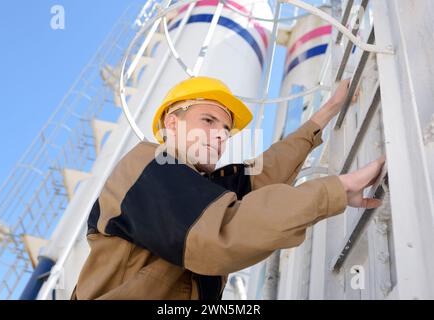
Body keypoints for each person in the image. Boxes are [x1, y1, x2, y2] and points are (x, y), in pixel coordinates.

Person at [73, 76, 384, 300]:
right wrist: (336, 189)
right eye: (208, 120)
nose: (220, 136)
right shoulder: (146, 168)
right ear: (171, 123)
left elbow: (264, 173)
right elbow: (221, 234)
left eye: (226, 130)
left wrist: (327, 110)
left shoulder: (201, 189)